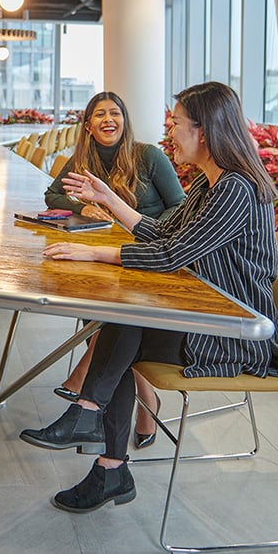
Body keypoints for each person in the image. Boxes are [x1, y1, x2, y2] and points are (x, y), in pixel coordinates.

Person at [20, 81, 278, 513]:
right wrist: (110, 198)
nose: (172, 132)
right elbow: (161, 231)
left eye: (179, 123)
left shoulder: (235, 189)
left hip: (235, 331)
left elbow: (171, 255)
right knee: (122, 326)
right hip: (205, 310)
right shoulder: (211, 184)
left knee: (122, 330)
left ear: (203, 131)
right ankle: (104, 452)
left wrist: (96, 254)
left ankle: (97, 436)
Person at [44, 91, 185, 449]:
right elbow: (52, 196)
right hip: (109, 252)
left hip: (148, 255)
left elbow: (180, 208)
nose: (109, 120)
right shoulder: (82, 159)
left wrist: (147, 226)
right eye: (100, 114)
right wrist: (84, 207)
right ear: (88, 126)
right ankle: (144, 403)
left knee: (114, 314)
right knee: (108, 310)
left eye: (115, 113)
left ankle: (84, 387)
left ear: (125, 120)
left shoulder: (148, 156)